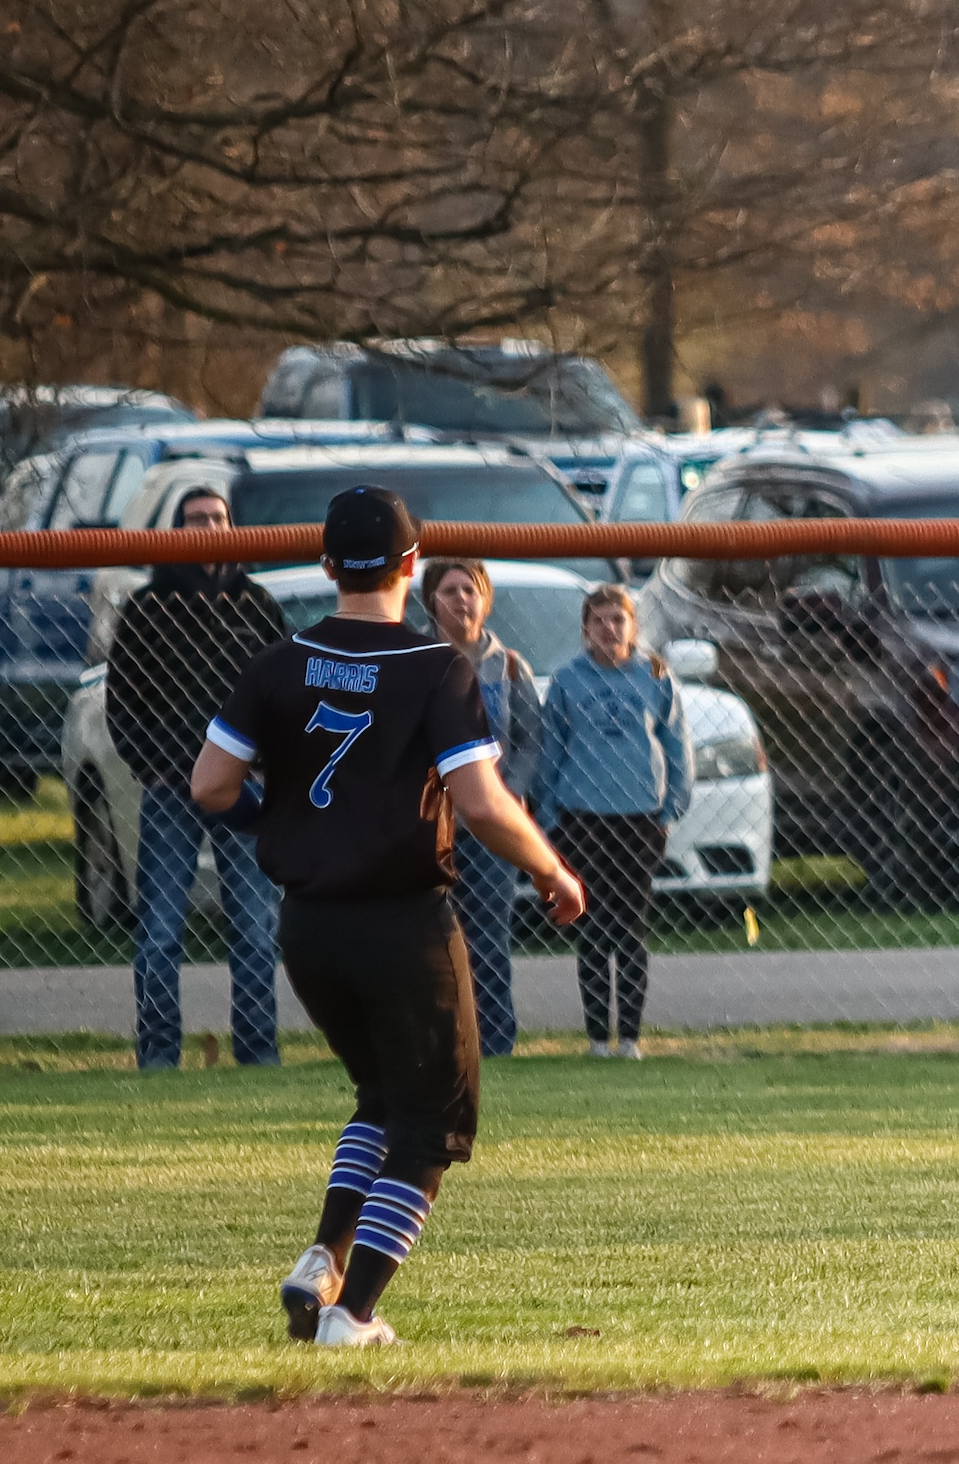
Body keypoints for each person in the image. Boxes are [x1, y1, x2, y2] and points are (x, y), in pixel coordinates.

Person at [189, 486, 584, 1347]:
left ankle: (321, 1261)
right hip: (403, 925)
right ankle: (354, 1314)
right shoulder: (436, 667)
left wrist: (279, 822)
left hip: (309, 927)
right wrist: (552, 869)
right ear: (412, 564)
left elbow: (210, 785)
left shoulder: (278, 662)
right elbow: (482, 803)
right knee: (433, 1122)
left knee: (382, 1095)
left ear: (328, 564)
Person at [107, 486, 288, 1069]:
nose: (208, 528)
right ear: (176, 529)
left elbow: (286, 694)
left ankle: (258, 1052)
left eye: (217, 518)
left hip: (245, 787)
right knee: (160, 929)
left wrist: (266, 763)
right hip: (170, 788)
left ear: (233, 526)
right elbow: (121, 701)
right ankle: (159, 1055)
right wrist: (152, 766)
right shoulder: (148, 607)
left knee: (254, 926)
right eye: (194, 520)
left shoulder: (256, 605)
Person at [536, 585, 690, 1060]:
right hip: (582, 819)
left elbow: (677, 746)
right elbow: (549, 750)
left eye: (617, 620)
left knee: (631, 927)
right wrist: (548, 815)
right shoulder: (567, 680)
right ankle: (598, 1038)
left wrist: (670, 809)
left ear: (633, 626)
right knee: (592, 928)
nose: (609, 629)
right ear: (585, 628)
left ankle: (630, 1039)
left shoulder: (655, 674)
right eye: (599, 620)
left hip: (638, 819)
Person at [421, 559, 542, 1057]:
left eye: (469, 590)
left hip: (490, 826)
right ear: (431, 602)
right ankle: (438, 1039)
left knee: (489, 934)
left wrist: (508, 794)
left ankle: (494, 1040)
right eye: (449, 591)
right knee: (430, 935)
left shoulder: (508, 666)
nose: (460, 600)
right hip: (430, 825)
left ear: (485, 600)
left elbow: (530, 741)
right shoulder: (415, 662)